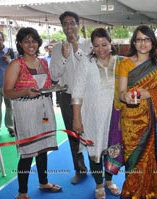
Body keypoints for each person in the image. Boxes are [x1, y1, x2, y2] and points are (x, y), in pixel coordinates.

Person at [118, 25, 157, 199]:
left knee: (151, 162)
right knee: (133, 163)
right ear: (133, 42)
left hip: (153, 120)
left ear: (153, 42)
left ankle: (151, 194)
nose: (142, 43)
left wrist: (149, 93)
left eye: (147, 39)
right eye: (139, 39)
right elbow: (121, 93)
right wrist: (126, 96)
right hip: (131, 122)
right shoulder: (125, 63)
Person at [3, 27, 62, 199]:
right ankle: (22, 193)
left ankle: (44, 183)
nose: (31, 44)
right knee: (28, 152)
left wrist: (54, 88)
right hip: (25, 112)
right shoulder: (16, 64)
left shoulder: (43, 62)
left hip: (44, 108)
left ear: (38, 43)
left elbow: (45, 87)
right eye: (26, 41)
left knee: (43, 149)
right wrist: (25, 92)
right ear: (20, 44)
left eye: (34, 40)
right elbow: (8, 92)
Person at [72, 28, 122, 199]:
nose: (100, 49)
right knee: (95, 150)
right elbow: (77, 92)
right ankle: (99, 184)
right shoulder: (86, 62)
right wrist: (77, 118)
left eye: (104, 44)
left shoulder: (121, 62)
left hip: (115, 116)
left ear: (111, 43)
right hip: (92, 116)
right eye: (96, 46)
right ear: (91, 46)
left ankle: (109, 181)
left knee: (112, 150)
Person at [50, 11, 92, 184]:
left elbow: (92, 69)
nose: (69, 26)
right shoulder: (57, 49)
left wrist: (76, 48)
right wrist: (65, 58)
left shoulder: (89, 44)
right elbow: (54, 75)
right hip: (67, 97)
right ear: (62, 27)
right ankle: (80, 169)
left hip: (90, 96)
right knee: (74, 135)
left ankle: (100, 170)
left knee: (93, 132)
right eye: (65, 23)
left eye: (72, 22)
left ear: (78, 25)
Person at [0, 30, 15, 137]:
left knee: (10, 107)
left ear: (3, 40)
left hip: (8, 85)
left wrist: (9, 61)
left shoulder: (11, 52)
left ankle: (11, 128)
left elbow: (19, 66)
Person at [44, 40, 60, 107]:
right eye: (49, 49)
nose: (50, 50)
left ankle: (58, 102)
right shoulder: (45, 58)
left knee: (58, 89)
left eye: (52, 49)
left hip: (57, 76)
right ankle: (49, 102)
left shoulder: (58, 58)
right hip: (48, 77)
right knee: (48, 89)